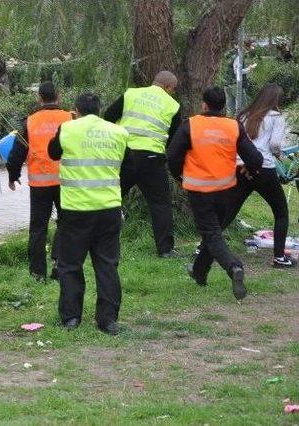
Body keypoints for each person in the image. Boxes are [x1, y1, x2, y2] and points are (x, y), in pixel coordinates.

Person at [167, 86, 263, 300]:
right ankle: (199, 272)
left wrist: (179, 176)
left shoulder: (191, 125)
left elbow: (172, 156)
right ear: (223, 105)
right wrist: (249, 169)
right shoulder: (233, 126)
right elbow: (256, 159)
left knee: (211, 235)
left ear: (204, 104)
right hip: (226, 190)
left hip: (199, 190)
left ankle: (233, 267)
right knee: (214, 233)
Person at [48, 93, 129, 334]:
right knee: (107, 264)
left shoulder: (68, 129)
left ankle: (71, 317)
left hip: (76, 209)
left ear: (76, 110)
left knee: (70, 264)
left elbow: (53, 152)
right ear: (100, 109)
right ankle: (108, 320)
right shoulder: (117, 132)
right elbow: (128, 164)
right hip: (108, 208)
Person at [104, 70, 181, 258]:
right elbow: (175, 139)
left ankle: (99, 241)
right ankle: (165, 250)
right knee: (160, 204)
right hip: (152, 159)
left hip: (124, 155)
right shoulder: (173, 105)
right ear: (168, 87)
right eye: (173, 89)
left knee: (109, 198)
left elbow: (108, 116)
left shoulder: (131, 94)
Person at [6, 81, 73, 281]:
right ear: (58, 96)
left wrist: (13, 174)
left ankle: (37, 273)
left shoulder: (30, 121)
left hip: (39, 184)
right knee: (66, 223)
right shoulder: (70, 118)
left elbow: (18, 151)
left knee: (38, 228)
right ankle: (60, 266)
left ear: (40, 98)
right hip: (66, 182)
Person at [223, 84, 293, 268]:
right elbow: (276, 144)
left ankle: (205, 246)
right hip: (264, 168)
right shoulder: (276, 117)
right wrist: (278, 154)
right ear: (276, 101)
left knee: (230, 209)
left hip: (241, 167)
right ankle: (279, 257)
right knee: (281, 213)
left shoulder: (244, 116)